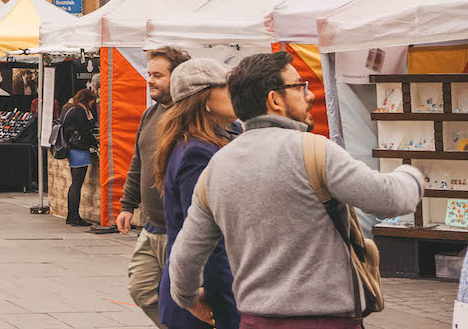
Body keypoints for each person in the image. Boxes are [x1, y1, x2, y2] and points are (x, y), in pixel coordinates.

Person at [169, 52, 424, 328]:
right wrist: (412, 174)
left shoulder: (216, 168)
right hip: (326, 321)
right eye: (299, 86)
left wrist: (188, 298)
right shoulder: (313, 150)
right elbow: (391, 198)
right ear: (274, 100)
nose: (310, 94)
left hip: (256, 320)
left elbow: (185, 255)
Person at [151, 59, 240, 329]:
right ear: (205, 99)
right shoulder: (198, 152)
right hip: (203, 297)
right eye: (227, 88)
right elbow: (206, 239)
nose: (234, 95)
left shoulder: (204, 142)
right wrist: (227, 308)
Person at [117, 46, 190, 327]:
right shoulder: (151, 114)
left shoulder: (190, 115)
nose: (150, 80)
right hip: (151, 226)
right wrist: (127, 205)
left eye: (158, 75)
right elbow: (139, 161)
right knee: (142, 288)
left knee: (183, 298)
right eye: (149, 74)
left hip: (181, 228)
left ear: (179, 76)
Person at [61, 88, 98, 226]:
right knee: (77, 183)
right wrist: (95, 144)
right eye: (92, 102)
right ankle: (74, 216)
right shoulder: (79, 111)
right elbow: (85, 131)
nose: (92, 105)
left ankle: (71, 215)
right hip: (78, 149)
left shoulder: (68, 107)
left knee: (75, 183)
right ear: (87, 100)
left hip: (72, 148)